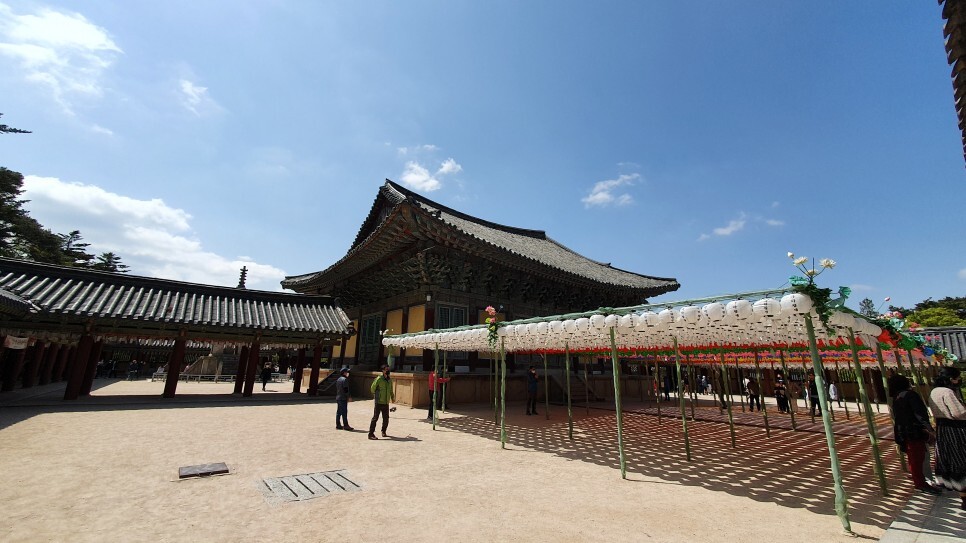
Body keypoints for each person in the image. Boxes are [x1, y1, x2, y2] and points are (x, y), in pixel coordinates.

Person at [890, 374, 940, 494]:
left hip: (904, 431)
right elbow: (919, 413)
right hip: (914, 431)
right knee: (918, 457)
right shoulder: (910, 395)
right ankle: (921, 482)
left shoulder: (897, 397)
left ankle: (920, 480)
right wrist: (929, 428)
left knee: (914, 457)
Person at [928, 367, 966, 509]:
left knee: (952, 461)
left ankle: (963, 497)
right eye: (957, 378)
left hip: (943, 430)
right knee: (961, 460)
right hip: (956, 430)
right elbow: (958, 413)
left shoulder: (934, 391)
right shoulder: (948, 392)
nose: (959, 380)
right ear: (951, 379)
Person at [369, 365, 395, 439]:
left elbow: (391, 390)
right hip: (379, 402)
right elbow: (372, 388)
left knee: (386, 419)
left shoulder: (389, 380)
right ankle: (371, 434)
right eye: (386, 369)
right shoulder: (379, 379)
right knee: (375, 418)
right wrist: (377, 395)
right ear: (383, 370)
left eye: (388, 369)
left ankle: (383, 431)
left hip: (386, 402)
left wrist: (392, 397)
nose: (388, 371)